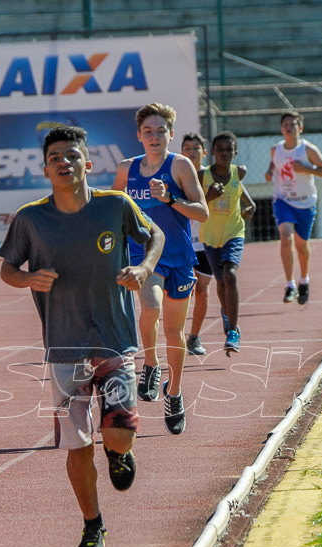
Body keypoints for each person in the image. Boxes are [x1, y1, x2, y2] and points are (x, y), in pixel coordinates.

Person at [0, 125, 164, 547]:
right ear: (46, 168)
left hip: (113, 341)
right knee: (77, 445)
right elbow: (7, 269)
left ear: (88, 164)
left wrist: (145, 268)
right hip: (64, 348)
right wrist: (28, 278)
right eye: (55, 158)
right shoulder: (31, 219)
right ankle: (93, 526)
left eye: (72, 156)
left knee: (118, 436)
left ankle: (119, 453)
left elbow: (155, 236)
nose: (64, 163)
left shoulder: (116, 206)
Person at [113, 103, 209, 435]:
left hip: (180, 257)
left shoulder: (180, 166)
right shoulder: (127, 169)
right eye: (148, 131)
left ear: (170, 134)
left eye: (161, 131)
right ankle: (150, 364)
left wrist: (170, 200)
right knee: (149, 306)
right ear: (139, 135)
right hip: (145, 256)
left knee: (174, 332)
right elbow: (112, 211)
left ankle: (175, 391)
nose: (155, 137)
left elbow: (202, 213)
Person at [264, 110, 322, 305]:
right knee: (285, 237)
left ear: (300, 128)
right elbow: (273, 164)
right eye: (285, 125)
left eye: (292, 124)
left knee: (301, 246)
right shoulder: (275, 149)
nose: (288, 127)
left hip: (305, 202)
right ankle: (290, 285)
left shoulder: (307, 149)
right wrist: (269, 172)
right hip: (283, 200)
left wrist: (306, 169)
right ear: (281, 129)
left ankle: (304, 280)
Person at [199, 131, 256, 353]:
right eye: (220, 149)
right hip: (211, 237)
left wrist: (250, 206)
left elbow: (241, 193)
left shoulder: (237, 172)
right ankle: (226, 311)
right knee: (221, 282)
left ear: (235, 152)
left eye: (228, 149)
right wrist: (210, 196)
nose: (224, 153)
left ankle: (233, 332)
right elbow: (195, 203)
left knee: (230, 275)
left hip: (234, 232)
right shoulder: (202, 175)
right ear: (212, 152)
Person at [180, 132, 212, 356]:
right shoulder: (176, 176)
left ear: (204, 152)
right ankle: (177, 336)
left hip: (206, 242)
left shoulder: (212, 176)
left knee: (201, 290)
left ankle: (194, 337)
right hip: (181, 242)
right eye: (187, 148)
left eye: (195, 148)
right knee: (181, 292)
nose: (191, 152)